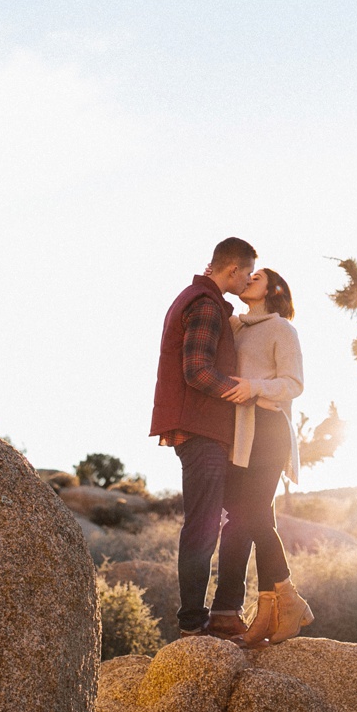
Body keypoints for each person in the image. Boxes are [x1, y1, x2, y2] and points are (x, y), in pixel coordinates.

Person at [149, 237, 257, 638]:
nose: (247, 281)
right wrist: (245, 392)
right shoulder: (207, 305)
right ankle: (194, 624)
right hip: (202, 431)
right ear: (232, 270)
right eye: (246, 273)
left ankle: (225, 612)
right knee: (203, 525)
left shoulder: (196, 298)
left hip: (200, 429)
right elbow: (197, 370)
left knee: (239, 515)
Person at [211, 267, 313, 646]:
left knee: (249, 515)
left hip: (269, 430)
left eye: (256, 276)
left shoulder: (282, 329)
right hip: (238, 435)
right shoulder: (236, 326)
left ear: (273, 289)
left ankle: (289, 599)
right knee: (239, 520)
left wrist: (254, 387)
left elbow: (294, 384)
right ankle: (266, 613)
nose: (248, 278)